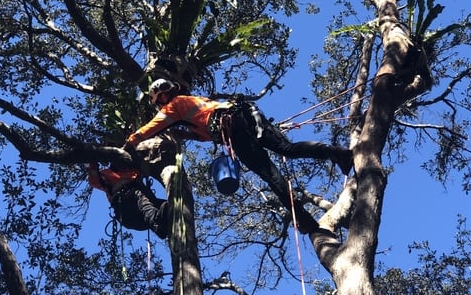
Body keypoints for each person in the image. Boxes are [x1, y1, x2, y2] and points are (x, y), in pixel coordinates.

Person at [123, 79, 353, 232]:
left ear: (161, 96)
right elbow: (206, 132)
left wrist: (132, 140)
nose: (160, 106)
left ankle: (303, 219)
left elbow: (155, 125)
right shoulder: (194, 102)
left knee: (271, 176)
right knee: (288, 150)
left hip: (234, 128)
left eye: (158, 101)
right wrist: (187, 134)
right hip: (246, 117)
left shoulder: (174, 105)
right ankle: (336, 153)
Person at [87, 162, 171, 239]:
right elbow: (94, 180)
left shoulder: (135, 170)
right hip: (127, 211)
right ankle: (156, 222)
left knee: (167, 205)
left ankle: (162, 227)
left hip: (144, 217)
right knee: (138, 194)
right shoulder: (106, 174)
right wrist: (93, 162)